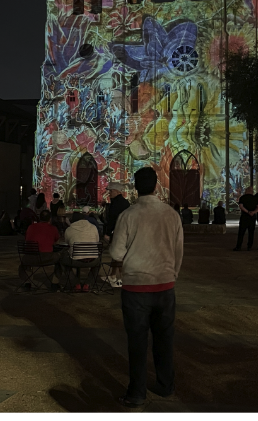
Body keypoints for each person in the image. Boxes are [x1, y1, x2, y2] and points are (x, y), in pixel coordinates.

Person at [110, 167, 184, 409]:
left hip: (136, 287)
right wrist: (172, 273)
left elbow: (116, 252)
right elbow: (178, 251)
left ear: (135, 187)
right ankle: (165, 385)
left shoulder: (129, 215)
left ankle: (137, 392)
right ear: (156, 186)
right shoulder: (171, 215)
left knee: (137, 342)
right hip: (164, 285)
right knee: (164, 339)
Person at [58, 219, 101, 291]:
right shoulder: (93, 227)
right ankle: (88, 284)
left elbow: (67, 243)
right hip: (92, 260)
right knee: (99, 261)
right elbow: (97, 241)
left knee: (61, 260)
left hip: (75, 260)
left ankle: (75, 283)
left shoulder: (69, 229)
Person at [233, 187, 258, 251]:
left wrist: (247, 212)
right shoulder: (255, 198)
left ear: (246, 190)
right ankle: (249, 246)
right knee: (251, 232)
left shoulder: (242, 198)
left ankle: (238, 246)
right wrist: (253, 212)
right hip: (252, 217)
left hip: (244, 216)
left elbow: (241, 206)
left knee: (241, 232)